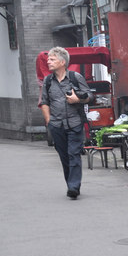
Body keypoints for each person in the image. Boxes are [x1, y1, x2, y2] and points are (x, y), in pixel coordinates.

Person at [39, 47, 92, 199]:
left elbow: (90, 96)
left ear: (62, 62)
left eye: (52, 59)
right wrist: (49, 121)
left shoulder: (76, 77)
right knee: (64, 156)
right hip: (56, 125)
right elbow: (44, 102)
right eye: (48, 59)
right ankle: (72, 183)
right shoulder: (48, 81)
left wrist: (79, 99)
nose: (48, 61)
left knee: (73, 154)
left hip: (75, 123)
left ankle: (73, 187)